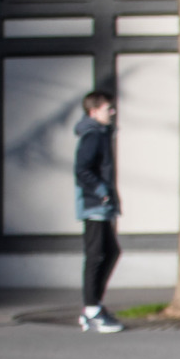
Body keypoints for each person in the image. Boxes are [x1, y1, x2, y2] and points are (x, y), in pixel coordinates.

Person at [72, 90, 123, 333]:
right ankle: (91, 310)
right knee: (96, 255)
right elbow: (82, 169)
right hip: (94, 204)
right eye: (107, 108)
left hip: (102, 204)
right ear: (93, 111)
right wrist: (101, 191)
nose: (112, 112)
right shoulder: (92, 135)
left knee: (111, 251)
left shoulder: (101, 134)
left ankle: (94, 306)